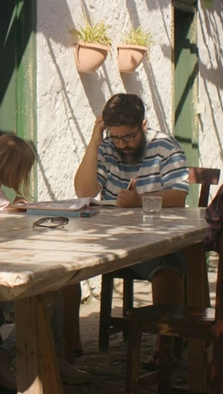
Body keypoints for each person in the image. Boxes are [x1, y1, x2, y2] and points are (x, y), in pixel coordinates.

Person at [0, 133, 92, 388]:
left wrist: (15, 209)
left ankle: (55, 357)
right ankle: (3, 357)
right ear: (12, 167)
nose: (24, 176)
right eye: (23, 170)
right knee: (45, 300)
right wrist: (14, 214)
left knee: (57, 287)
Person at [74, 92, 190, 307]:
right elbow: (84, 192)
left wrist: (140, 201)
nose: (122, 144)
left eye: (128, 136)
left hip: (155, 240)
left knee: (166, 266)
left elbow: (178, 195)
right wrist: (94, 142)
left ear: (143, 125)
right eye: (116, 137)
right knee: (67, 265)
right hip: (113, 240)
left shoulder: (165, 147)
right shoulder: (107, 148)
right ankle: (66, 340)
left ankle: (169, 336)